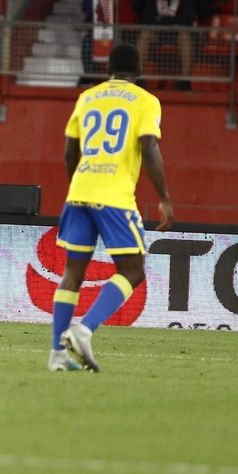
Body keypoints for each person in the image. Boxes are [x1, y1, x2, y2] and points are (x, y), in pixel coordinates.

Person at [49, 43, 172, 373]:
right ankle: (84, 330)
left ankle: (56, 356)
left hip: (78, 192)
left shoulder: (87, 97)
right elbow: (149, 146)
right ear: (140, 71)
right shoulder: (146, 100)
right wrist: (164, 198)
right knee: (133, 271)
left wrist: (80, 186)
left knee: (73, 273)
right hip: (114, 197)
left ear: (108, 71)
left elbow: (68, 154)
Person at [135, 0, 198, 87]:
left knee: (185, 36)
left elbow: (187, 20)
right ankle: (139, 78)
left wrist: (162, 19)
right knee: (145, 35)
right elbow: (148, 19)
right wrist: (172, 21)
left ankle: (185, 80)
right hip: (159, 33)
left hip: (177, 34)